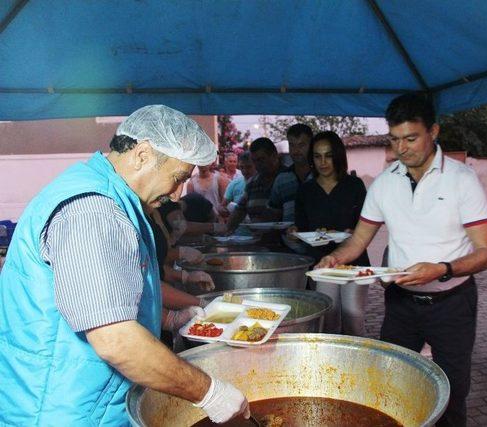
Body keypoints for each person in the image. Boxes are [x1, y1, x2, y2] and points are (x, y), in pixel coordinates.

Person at [0, 105, 249, 425]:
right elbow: (116, 340)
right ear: (143, 154)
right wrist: (209, 392)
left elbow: (119, 283)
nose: (177, 195)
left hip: (88, 404)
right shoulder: (92, 211)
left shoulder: (112, 199)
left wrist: (171, 318)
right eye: (177, 178)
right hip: (59, 410)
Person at [316, 92, 487, 427]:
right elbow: (358, 240)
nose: (402, 148)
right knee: (394, 385)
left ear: (434, 132)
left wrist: (442, 269)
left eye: (411, 138)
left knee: (452, 394)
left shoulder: (462, 180)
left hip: (452, 303)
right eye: (395, 139)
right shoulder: (384, 184)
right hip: (401, 302)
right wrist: (334, 258)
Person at [288, 131, 370, 336]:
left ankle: (358, 364)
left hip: (354, 261)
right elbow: (301, 227)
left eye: (329, 155)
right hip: (321, 262)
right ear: (312, 159)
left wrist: (355, 231)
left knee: (354, 317)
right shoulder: (306, 190)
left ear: (338, 156)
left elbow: (366, 224)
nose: (323, 162)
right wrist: (294, 232)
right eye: (317, 156)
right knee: (329, 320)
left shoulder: (354, 185)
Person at [225, 138, 284, 234]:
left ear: (274, 156)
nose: (257, 165)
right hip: (257, 242)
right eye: (254, 161)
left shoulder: (287, 178)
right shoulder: (252, 183)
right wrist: (226, 230)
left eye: (261, 160)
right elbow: (239, 211)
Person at [268, 124, 313, 222]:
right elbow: (274, 213)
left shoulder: (322, 175)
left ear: (311, 145)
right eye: (292, 145)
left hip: (319, 236)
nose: (296, 151)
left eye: (301, 145)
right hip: (288, 236)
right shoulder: (282, 178)